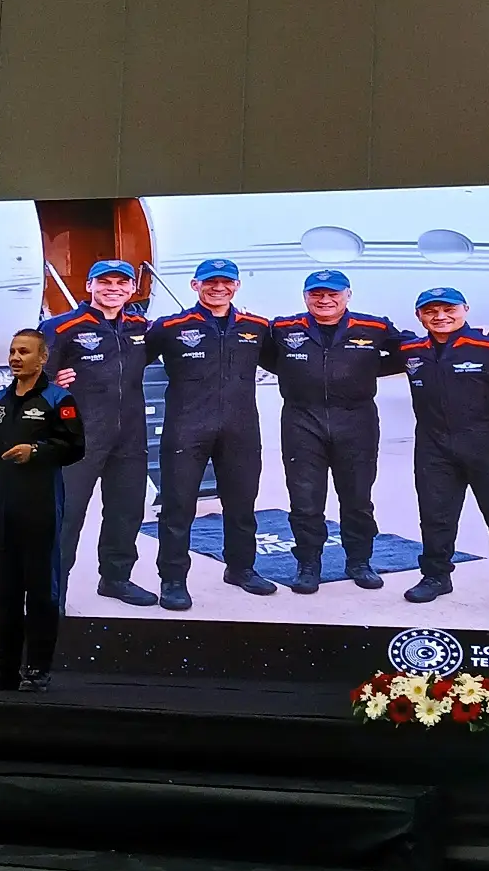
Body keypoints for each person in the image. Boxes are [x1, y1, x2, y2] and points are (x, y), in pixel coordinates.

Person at [397, 287, 489, 616]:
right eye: (430, 311)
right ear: (419, 316)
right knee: (435, 518)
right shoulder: (411, 349)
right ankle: (436, 576)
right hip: (434, 447)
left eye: (448, 309)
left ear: (465, 309)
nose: (440, 317)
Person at [262, 269, 407, 594]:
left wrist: (369, 368)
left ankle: (359, 562)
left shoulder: (374, 327)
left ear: (348, 295)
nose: (325, 300)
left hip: (356, 421)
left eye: (333, 294)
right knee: (305, 501)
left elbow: (414, 350)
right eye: (316, 294)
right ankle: (308, 564)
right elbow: (267, 357)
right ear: (305, 296)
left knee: (357, 499)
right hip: (302, 420)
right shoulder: (284, 328)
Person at [145, 258, 277, 611]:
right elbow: (128, 361)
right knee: (177, 507)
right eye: (210, 282)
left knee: (242, 504)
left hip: (241, 428)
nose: (218, 288)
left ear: (237, 285)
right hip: (186, 428)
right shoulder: (171, 326)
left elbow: (289, 363)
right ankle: (173, 580)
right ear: (195, 285)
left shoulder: (257, 326)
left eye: (226, 282)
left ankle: (241, 568)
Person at [0, 328, 86, 692]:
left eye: (24, 351)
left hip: (41, 507)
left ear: (42, 358)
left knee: (40, 592)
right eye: (12, 351)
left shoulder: (58, 398)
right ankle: (3, 669)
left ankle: (37, 669)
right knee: (2, 592)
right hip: (1, 508)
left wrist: (35, 452)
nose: (16, 357)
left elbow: (74, 446)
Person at [39, 261, 158, 608]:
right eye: (104, 282)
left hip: (130, 438)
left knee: (126, 511)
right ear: (90, 285)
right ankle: (51, 594)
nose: (113, 288)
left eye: (122, 283)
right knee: (67, 515)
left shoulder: (141, 327)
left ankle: (116, 579)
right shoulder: (60, 327)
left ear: (132, 289)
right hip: (78, 438)